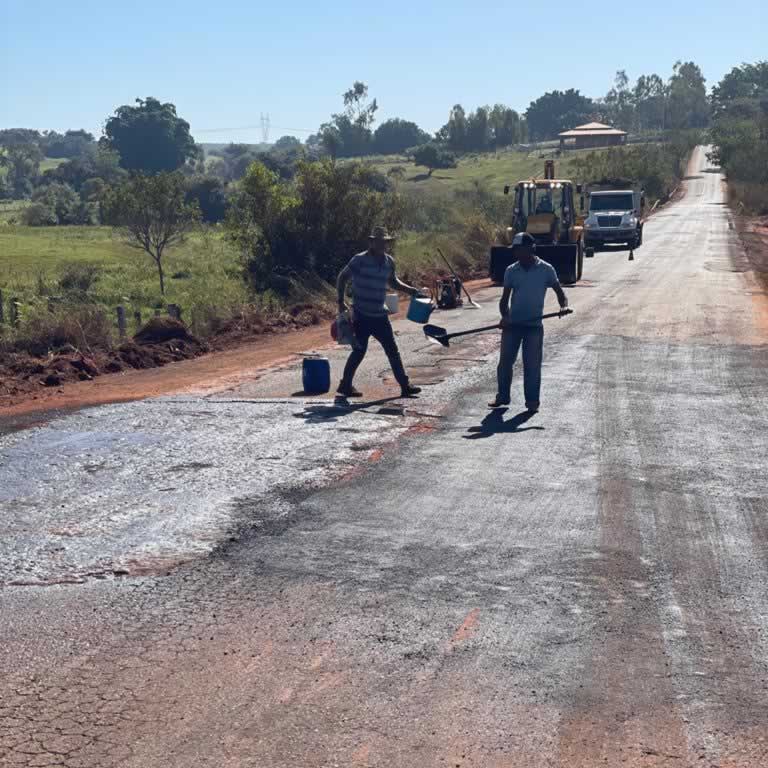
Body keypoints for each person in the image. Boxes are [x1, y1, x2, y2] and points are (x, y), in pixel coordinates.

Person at [336, 226, 423, 399]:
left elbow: (394, 282)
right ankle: (345, 385)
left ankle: (405, 386)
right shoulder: (359, 260)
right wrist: (340, 301)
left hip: (380, 316)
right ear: (372, 242)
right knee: (359, 351)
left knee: (392, 351)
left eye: (385, 242)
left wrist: (411, 290)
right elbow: (342, 277)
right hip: (361, 314)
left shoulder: (389, 261)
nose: (383, 245)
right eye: (379, 242)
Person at [489, 233, 568, 412]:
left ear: (530, 248)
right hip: (513, 326)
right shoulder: (511, 270)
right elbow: (504, 300)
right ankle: (502, 397)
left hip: (534, 327)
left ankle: (532, 402)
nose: (516, 253)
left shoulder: (546, 269)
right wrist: (505, 317)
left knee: (532, 365)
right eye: (515, 250)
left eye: (519, 249)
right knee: (505, 363)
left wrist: (563, 307)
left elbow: (560, 293)